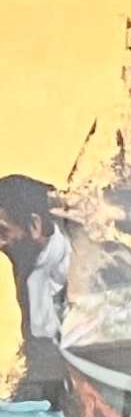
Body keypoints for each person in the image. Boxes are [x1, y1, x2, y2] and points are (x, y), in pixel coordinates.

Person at [1, 173, 76, 404]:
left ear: (35, 225)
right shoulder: (26, 261)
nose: (1, 245)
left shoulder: (77, 261)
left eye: (3, 232)